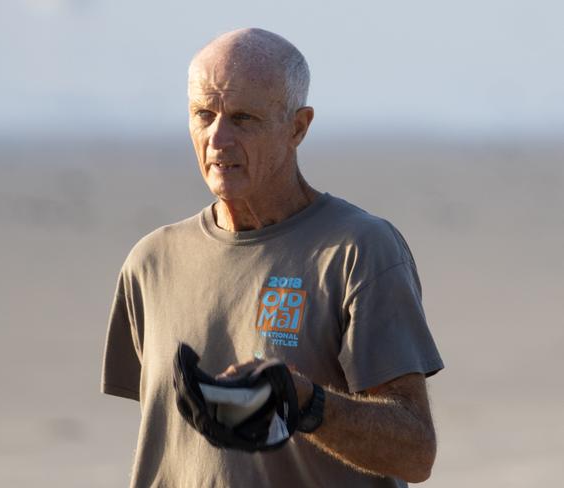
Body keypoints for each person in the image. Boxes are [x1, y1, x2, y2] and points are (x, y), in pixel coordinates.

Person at [101, 27, 444, 487]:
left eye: (243, 118)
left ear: (297, 127)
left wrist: (306, 404)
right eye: (204, 114)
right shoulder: (151, 262)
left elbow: (414, 453)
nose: (217, 138)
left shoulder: (358, 250)